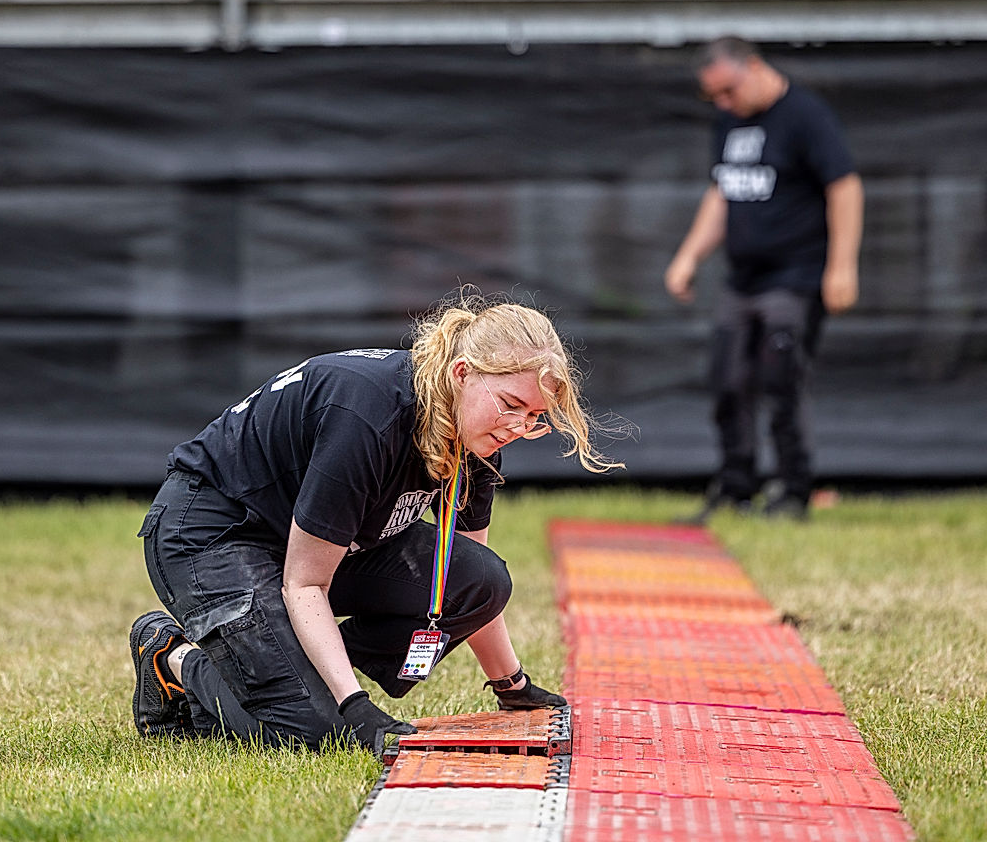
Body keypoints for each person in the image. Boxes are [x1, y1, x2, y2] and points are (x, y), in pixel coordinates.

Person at [130, 289, 620, 752]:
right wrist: (354, 706)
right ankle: (173, 657)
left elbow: (467, 568)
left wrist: (511, 685)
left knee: (481, 578)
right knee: (320, 730)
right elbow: (304, 584)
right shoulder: (368, 414)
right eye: (511, 406)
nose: (518, 427)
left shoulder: (476, 431)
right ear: (462, 373)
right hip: (214, 534)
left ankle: (281, 668)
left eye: (534, 416)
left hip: (307, 549)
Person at [664, 37, 864, 522]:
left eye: (728, 91)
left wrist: (842, 265)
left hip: (795, 276)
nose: (724, 104)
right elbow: (723, 191)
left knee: (782, 379)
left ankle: (793, 491)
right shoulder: (730, 121)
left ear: (753, 67)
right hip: (742, 279)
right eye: (715, 97)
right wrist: (689, 255)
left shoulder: (805, 116)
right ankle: (736, 489)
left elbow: (845, 186)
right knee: (729, 382)